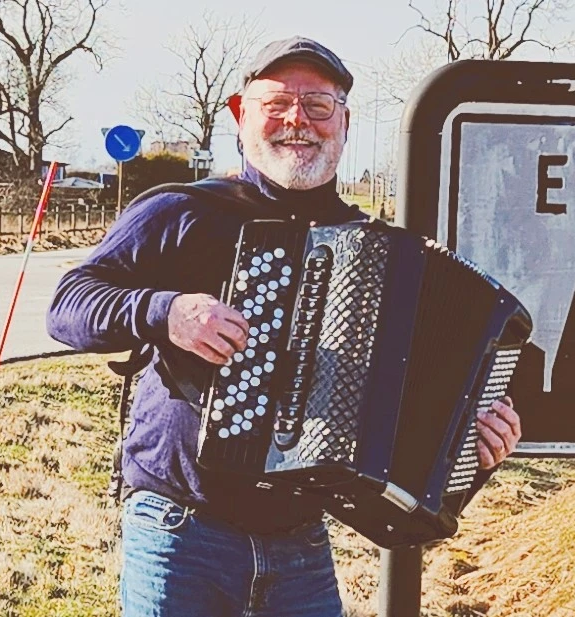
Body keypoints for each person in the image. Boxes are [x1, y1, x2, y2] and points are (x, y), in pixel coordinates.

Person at [46, 35, 523, 617]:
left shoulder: (377, 254)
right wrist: (167, 312)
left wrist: (468, 446)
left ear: (344, 123)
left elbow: (406, 419)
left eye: (318, 106)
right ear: (240, 115)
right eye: (276, 104)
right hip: (180, 529)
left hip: (300, 546)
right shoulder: (182, 211)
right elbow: (69, 304)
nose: (298, 120)